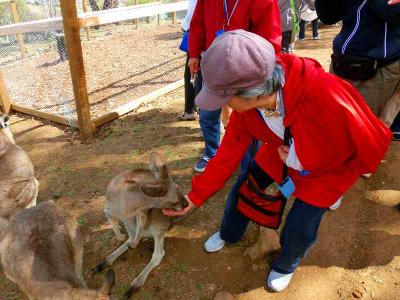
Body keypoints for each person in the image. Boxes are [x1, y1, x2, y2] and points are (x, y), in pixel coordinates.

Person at [164, 30, 392, 292]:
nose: (219, 107)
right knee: (244, 186)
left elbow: (364, 142)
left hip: (327, 170)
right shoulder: (249, 110)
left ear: (251, 92)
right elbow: (227, 153)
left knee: (300, 224)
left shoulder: (325, 92)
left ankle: (287, 262)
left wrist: (300, 158)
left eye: (224, 99)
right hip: (280, 151)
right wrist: (195, 197)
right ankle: (229, 233)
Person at [188, 0, 282, 172]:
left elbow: (270, 37)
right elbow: (198, 22)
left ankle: (250, 164)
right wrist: (194, 53)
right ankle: (211, 153)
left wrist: (264, 70)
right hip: (213, 62)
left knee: (249, 116)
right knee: (208, 113)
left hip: (246, 69)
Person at [315, 0, 400, 141]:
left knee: (361, 135)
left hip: (378, 68)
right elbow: (328, 16)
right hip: (343, 63)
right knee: (335, 126)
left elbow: (393, 13)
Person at [179, 0, 198, 121]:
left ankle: (190, 110)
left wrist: (184, 25)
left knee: (192, 73)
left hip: (197, 37)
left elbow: (192, 15)